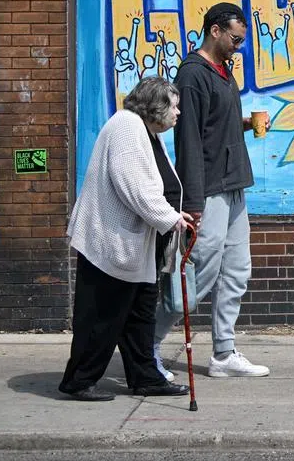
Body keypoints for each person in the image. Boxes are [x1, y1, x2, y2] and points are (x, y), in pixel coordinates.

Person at [152, 2, 270, 379]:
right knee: (198, 275)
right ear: (215, 31)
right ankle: (146, 348)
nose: (238, 46)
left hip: (234, 185)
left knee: (236, 271)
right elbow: (188, 141)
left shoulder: (223, 71)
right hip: (209, 192)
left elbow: (216, 125)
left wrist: (246, 123)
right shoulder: (192, 75)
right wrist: (194, 203)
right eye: (235, 38)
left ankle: (223, 353)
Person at [59, 76, 194, 401]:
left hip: (136, 246)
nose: (178, 113)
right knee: (102, 315)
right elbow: (134, 185)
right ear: (156, 106)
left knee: (139, 315)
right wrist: (170, 218)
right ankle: (79, 380)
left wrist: (172, 215)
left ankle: (145, 377)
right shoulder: (127, 127)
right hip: (111, 241)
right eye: (174, 106)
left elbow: (153, 183)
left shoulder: (146, 131)